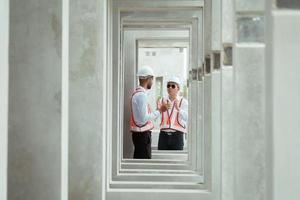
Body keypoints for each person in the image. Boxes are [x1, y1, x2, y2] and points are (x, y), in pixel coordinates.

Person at [130, 66, 168, 159]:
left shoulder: (138, 93)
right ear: (148, 79)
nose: (152, 81)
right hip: (142, 136)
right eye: (152, 79)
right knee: (142, 164)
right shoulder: (141, 95)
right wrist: (160, 110)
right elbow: (143, 119)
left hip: (140, 136)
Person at [157, 76, 188, 150]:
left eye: (173, 86)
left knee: (177, 160)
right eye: (168, 86)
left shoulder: (183, 102)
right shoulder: (161, 101)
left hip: (177, 136)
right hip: (163, 135)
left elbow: (187, 117)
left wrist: (179, 109)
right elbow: (156, 116)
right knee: (162, 160)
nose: (170, 88)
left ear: (178, 88)